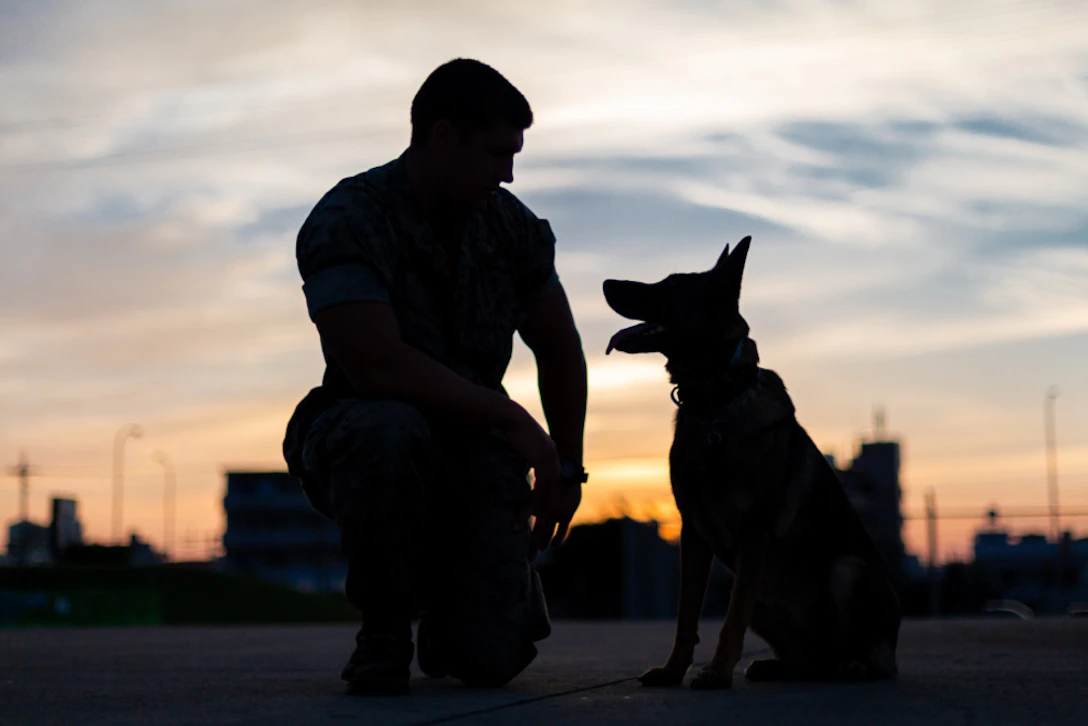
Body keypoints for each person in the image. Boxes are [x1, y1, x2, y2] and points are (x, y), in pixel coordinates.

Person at [282, 58, 588, 696]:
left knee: (488, 659)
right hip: (364, 431)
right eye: (496, 152)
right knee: (387, 429)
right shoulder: (351, 217)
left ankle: (459, 604)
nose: (507, 173)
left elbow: (558, 346)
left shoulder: (511, 228)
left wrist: (568, 468)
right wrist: (512, 418)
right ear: (442, 135)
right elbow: (374, 363)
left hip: (474, 453)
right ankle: (385, 629)